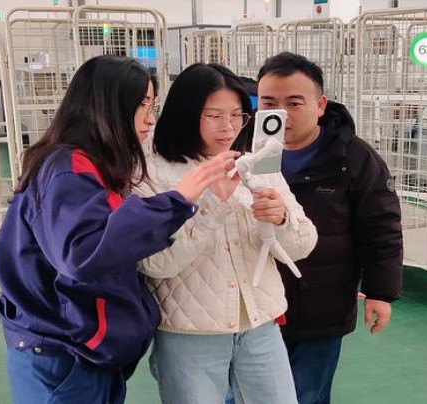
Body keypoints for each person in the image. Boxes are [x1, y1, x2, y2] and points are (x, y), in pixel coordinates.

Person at [0, 56, 238, 404]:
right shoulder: (68, 169)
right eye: (142, 105)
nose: (150, 119)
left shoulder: (95, 165)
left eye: (152, 106)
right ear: (110, 107)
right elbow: (84, 253)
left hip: (84, 355)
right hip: (64, 356)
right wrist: (176, 201)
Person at [134, 63, 318, 404]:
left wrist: (280, 220)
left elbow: (304, 244)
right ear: (186, 113)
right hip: (190, 332)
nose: (228, 127)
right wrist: (212, 206)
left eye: (237, 115)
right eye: (214, 116)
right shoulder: (150, 173)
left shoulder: (257, 162)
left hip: (260, 323)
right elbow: (157, 264)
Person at [256, 52, 404, 403]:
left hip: (321, 303)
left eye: (294, 103)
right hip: (255, 303)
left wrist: (380, 292)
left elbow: (381, 227)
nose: (281, 113)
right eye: (269, 103)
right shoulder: (245, 151)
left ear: (320, 105)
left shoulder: (353, 158)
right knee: (249, 393)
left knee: (307, 394)